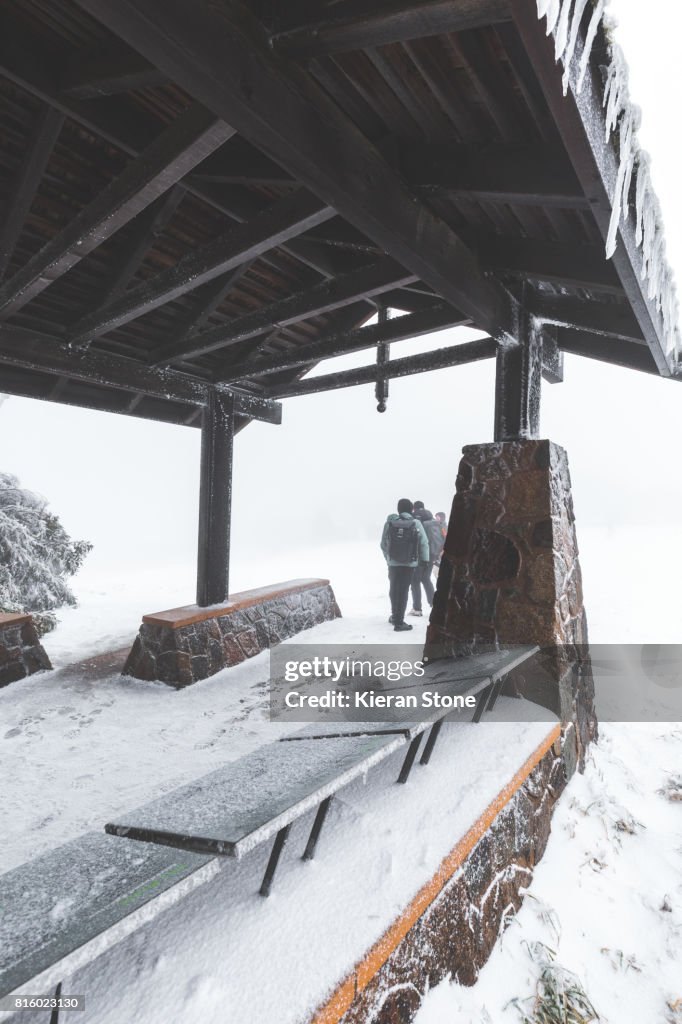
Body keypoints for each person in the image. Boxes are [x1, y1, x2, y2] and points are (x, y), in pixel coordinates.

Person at [380, 498, 429, 631]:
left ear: (398, 509)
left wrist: (389, 558)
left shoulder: (390, 523)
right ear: (411, 509)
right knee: (403, 590)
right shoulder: (415, 523)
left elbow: (383, 544)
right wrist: (424, 561)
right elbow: (424, 543)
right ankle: (399, 622)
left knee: (393, 588)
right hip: (409, 564)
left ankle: (395, 616)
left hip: (393, 564)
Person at [409, 507, 443, 615]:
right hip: (432, 554)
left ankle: (417, 609)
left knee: (415, 581)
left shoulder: (417, 519)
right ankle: (435, 604)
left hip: (421, 555)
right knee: (426, 579)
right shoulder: (432, 520)